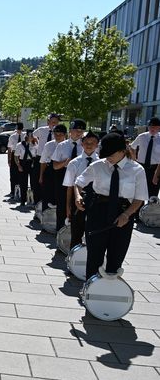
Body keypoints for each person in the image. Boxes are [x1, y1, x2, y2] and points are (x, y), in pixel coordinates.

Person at [74, 132, 148, 280]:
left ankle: (110, 290)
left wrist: (126, 215)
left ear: (122, 150)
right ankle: (90, 290)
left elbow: (139, 198)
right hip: (98, 211)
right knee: (94, 254)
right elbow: (79, 182)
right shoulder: (97, 166)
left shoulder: (137, 170)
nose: (107, 158)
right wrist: (78, 196)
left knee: (116, 255)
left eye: (111, 154)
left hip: (123, 214)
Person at [63, 132, 99, 248]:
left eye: (92, 143)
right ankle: (73, 257)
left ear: (97, 145)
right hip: (78, 200)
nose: (89, 145)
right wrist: (68, 206)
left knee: (94, 232)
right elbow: (69, 186)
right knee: (76, 232)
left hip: (97, 201)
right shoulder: (74, 163)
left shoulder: (103, 163)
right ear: (81, 144)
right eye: (86, 142)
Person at [52, 119, 86, 229]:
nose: (79, 133)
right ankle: (61, 231)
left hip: (81, 177)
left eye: (81, 131)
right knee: (62, 206)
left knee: (79, 205)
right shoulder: (62, 145)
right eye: (76, 130)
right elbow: (55, 166)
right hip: (63, 175)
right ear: (70, 131)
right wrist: (65, 163)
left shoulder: (86, 145)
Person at [39, 123, 68, 211]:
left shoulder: (69, 145)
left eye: (60, 134)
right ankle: (44, 213)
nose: (57, 136)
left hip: (64, 171)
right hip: (50, 169)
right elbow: (43, 161)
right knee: (47, 193)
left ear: (65, 135)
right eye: (55, 134)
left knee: (61, 195)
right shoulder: (49, 145)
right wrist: (41, 176)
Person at [129, 116, 160, 198]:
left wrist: (157, 174)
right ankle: (139, 209)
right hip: (141, 166)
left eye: (155, 127)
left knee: (153, 192)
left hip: (156, 168)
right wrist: (134, 158)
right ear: (148, 127)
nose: (152, 129)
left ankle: (150, 209)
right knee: (139, 190)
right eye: (150, 127)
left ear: (159, 128)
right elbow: (132, 147)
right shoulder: (142, 136)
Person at [13, 130, 39, 207]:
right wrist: (19, 165)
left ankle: (33, 200)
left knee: (33, 183)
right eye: (30, 136)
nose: (31, 138)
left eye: (32, 136)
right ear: (26, 136)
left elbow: (37, 155)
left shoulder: (35, 145)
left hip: (32, 163)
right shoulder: (20, 145)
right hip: (23, 164)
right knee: (23, 183)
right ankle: (22, 200)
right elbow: (16, 156)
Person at [7, 123, 25, 200]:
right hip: (14, 154)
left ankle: (22, 190)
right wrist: (9, 160)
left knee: (22, 174)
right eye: (18, 129)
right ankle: (13, 191)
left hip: (23, 154)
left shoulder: (25, 135)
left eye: (20, 129)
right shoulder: (12, 136)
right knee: (13, 174)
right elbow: (9, 149)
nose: (19, 130)